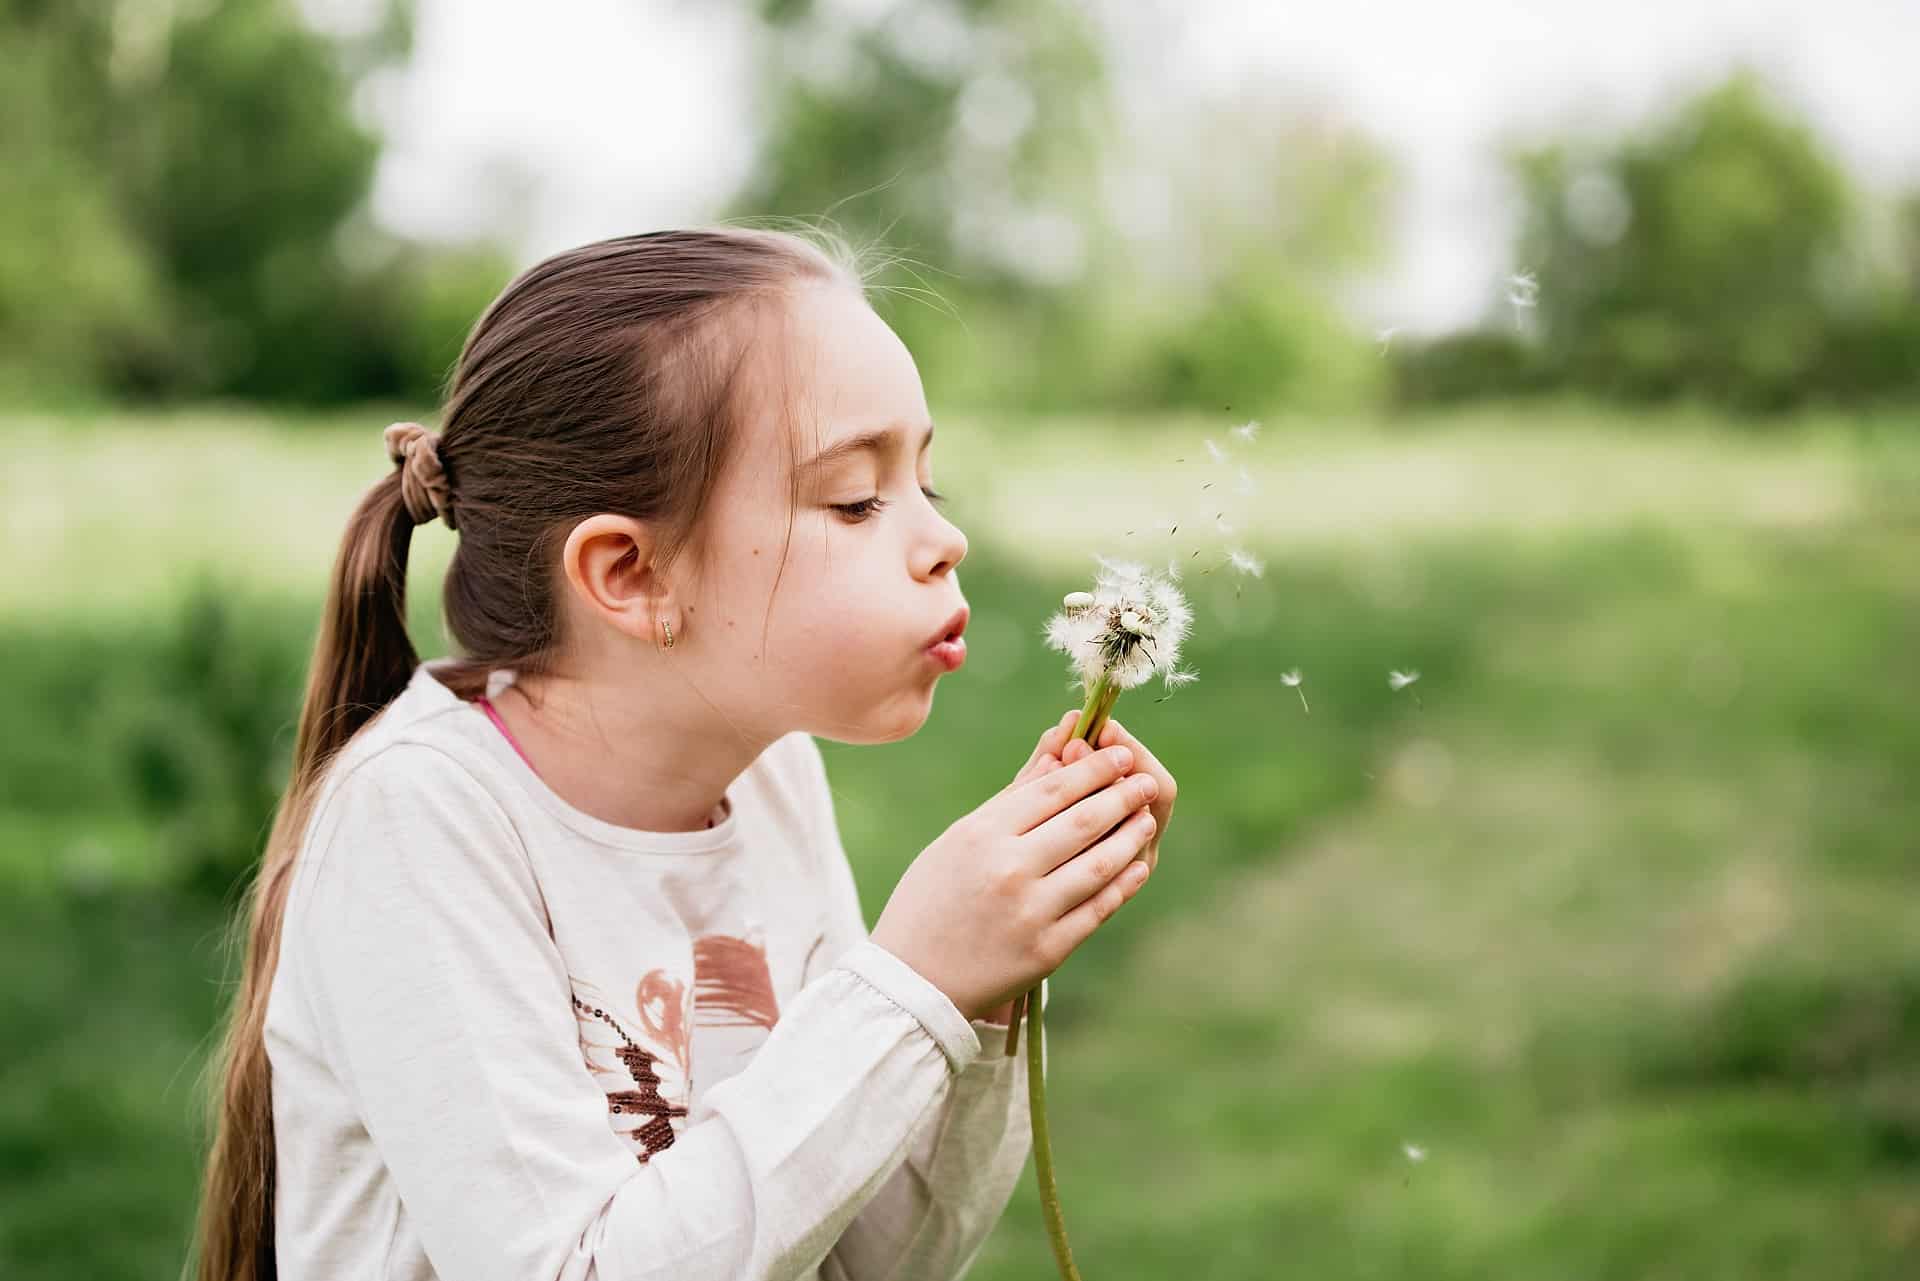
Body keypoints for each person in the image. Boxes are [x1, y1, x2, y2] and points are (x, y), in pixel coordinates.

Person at [189, 226, 1177, 1281]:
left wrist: (974, 989)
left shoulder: (766, 775)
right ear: (631, 573)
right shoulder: (423, 819)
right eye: (855, 498)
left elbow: (873, 1259)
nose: (944, 538)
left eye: (927, 482)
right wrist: (910, 978)